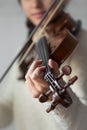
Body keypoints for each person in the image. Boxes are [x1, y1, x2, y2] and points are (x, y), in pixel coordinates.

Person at [0, 0, 87, 130]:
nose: (35, 4)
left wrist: (53, 96)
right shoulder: (26, 48)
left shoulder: (83, 44)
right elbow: (8, 106)